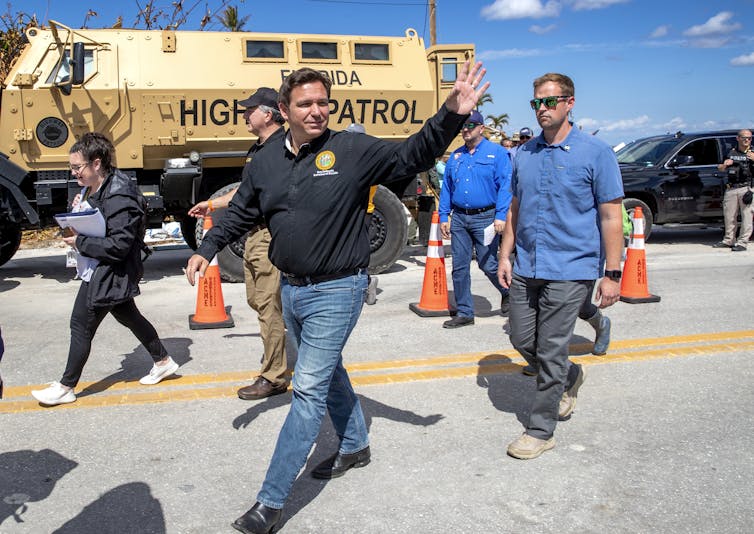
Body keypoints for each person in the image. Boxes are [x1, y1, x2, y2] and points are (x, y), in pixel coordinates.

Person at [186, 62, 488, 533]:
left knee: (306, 390)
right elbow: (241, 210)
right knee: (329, 374)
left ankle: (269, 503)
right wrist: (205, 250)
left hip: (338, 289)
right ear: (283, 110)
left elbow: (413, 154)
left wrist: (450, 113)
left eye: (323, 102)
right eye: (305, 104)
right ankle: (355, 445)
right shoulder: (264, 160)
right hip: (291, 289)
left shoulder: (351, 149)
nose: (316, 111)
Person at [498, 73, 624, 460]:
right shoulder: (525, 154)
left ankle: (541, 429)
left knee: (551, 349)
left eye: (550, 101)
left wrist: (613, 273)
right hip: (527, 265)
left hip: (572, 267)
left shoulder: (596, 152)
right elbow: (516, 208)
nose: (542, 109)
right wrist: (505, 254)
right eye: (537, 102)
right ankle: (570, 376)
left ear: (570, 103)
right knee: (522, 339)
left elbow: (610, 216)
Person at [31, 132, 177, 406]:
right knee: (128, 315)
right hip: (100, 267)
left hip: (110, 270)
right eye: (72, 168)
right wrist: (77, 213)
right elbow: (98, 222)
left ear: (96, 163)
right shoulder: (94, 186)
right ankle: (163, 360)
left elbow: (119, 245)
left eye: (78, 168)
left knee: (80, 325)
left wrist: (80, 241)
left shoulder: (120, 194)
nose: (74, 173)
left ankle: (66, 386)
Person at [188, 88, 289, 400]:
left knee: (268, 307)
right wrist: (213, 204)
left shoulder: (282, 149)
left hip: (270, 235)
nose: (244, 114)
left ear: (268, 114)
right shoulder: (258, 149)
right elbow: (246, 191)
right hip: (254, 236)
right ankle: (284, 345)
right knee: (258, 301)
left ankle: (274, 376)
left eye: (250, 110)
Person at [439, 109, 512, 328]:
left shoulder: (496, 153)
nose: (466, 130)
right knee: (459, 267)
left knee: (487, 262)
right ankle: (465, 312)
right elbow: (448, 188)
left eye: (470, 125)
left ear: (481, 128)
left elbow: (505, 186)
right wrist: (444, 215)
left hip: (486, 218)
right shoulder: (456, 156)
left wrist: (501, 216)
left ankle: (509, 292)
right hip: (460, 217)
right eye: (463, 126)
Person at [345, 122, 379, 305]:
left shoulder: (366, 161)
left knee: (358, 252)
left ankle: (365, 283)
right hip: (352, 212)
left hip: (362, 213)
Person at [714, 129, 753, 251]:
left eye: (749, 138)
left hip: (746, 188)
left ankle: (742, 242)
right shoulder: (730, 151)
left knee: (747, 217)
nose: (747, 140)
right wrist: (725, 165)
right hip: (731, 188)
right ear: (738, 138)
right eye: (744, 137)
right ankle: (729, 240)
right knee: (729, 216)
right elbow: (719, 168)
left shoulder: (752, 152)